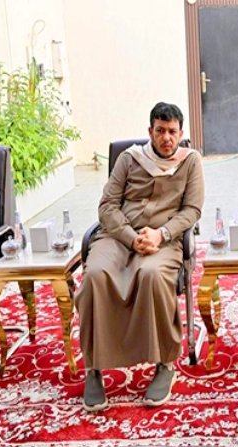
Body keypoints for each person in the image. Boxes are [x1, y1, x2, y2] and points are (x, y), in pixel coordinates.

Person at [77, 102, 204, 411]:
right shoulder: (129, 158)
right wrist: (130, 238)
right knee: (95, 276)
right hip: (118, 237)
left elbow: (192, 210)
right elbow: (107, 205)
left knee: (151, 275)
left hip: (163, 241)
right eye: (160, 131)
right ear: (150, 131)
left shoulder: (190, 162)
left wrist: (161, 234)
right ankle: (93, 369)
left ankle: (164, 364)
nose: (166, 138)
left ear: (181, 134)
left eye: (172, 132)